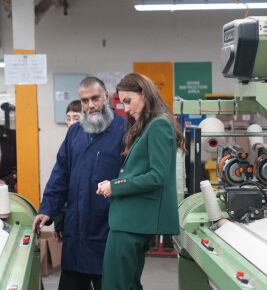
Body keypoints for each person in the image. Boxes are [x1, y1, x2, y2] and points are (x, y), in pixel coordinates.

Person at [32, 77, 126, 290]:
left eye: (95, 98)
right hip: (77, 234)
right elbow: (60, 175)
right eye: (84, 100)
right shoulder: (75, 133)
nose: (90, 105)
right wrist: (48, 209)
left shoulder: (125, 132)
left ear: (107, 97)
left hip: (108, 233)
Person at [96, 72, 186, 290]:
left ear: (143, 94)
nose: (126, 108)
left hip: (132, 221)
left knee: (115, 285)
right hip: (132, 220)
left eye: (128, 101)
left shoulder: (158, 125)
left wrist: (115, 186)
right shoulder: (151, 124)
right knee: (128, 284)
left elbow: (157, 176)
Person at [52, 99, 82, 243]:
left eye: (76, 118)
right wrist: (58, 223)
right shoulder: (67, 145)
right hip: (68, 215)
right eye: (68, 118)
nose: (71, 123)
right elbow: (61, 183)